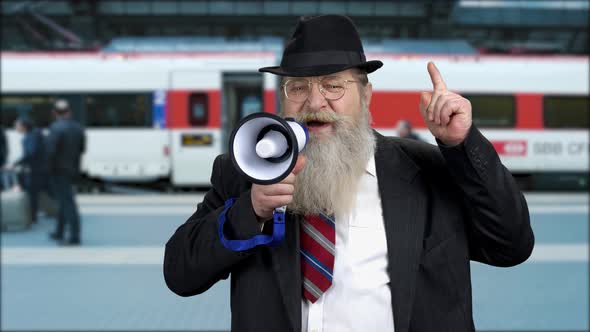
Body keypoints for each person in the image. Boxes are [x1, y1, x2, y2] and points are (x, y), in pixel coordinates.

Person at [163, 15, 534, 332]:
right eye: (298, 87)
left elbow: (511, 246)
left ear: (367, 94)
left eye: (333, 85)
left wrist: (461, 145)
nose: (315, 102)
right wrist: (251, 211)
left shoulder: (427, 170)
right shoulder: (242, 174)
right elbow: (180, 273)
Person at [46, 99, 86, 245]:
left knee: (67, 203)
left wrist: (48, 170)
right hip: (73, 170)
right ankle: (59, 231)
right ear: (69, 112)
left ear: (54, 113)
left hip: (58, 171)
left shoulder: (55, 128)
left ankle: (74, 236)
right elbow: (82, 149)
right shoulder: (78, 128)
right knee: (64, 202)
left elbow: (50, 152)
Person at [13, 116, 50, 223]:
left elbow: (30, 153)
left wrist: (15, 164)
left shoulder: (31, 136)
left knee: (32, 193)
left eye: (17, 126)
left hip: (36, 170)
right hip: (42, 168)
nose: (15, 128)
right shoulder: (36, 134)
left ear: (23, 126)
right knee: (44, 191)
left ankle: (33, 217)